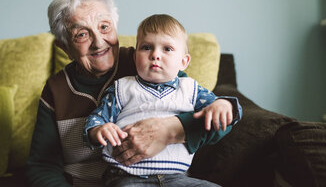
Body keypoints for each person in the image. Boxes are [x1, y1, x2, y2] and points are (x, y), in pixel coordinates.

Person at [25, 0, 241, 187]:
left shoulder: (148, 65)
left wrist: (171, 130)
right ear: (64, 47)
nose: (98, 42)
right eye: (81, 34)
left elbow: (219, 119)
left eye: (104, 27)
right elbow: (42, 165)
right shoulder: (56, 89)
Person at [83, 14, 242, 187]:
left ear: (184, 61)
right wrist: (98, 130)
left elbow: (219, 109)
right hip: (126, 176)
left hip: (177, 178)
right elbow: (96, 119)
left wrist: (222, 104)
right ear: (135, 57)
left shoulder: (190, 89)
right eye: (146, 47)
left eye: (167, 49)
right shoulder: (122, 88)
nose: (155, 55)